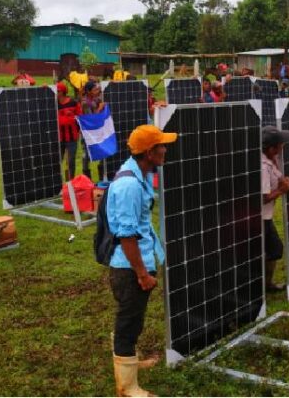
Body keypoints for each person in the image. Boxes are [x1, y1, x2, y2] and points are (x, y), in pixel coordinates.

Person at [107, 124, 177, 397]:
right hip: (129, 269)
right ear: (149, 152)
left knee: (133, 319)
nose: (165, 150)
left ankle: (130, 361)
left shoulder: (141, 175)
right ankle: (127, 387)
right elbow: (126, 236)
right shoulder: (129, 186)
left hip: (136, 263)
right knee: (128, 323)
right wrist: (142, 274)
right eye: (161, 146)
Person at [261, 126, 289, 291]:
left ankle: (265, 283)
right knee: (275, 249)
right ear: (271, 148)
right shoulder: (263, 167)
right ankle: (262, 283)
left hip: (266, 216)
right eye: (280, 144)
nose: (283, 146)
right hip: (260, 218)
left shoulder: (271, 159)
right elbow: (263, 197)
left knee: (273, 249)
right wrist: (282, 190)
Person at [56, 82, 82, 181]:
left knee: (71, 161)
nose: (56, 93)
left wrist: (78, 130)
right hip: (59, 137)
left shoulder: (73, 103)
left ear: (63, 92)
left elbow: (80, 117)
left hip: (72, 137)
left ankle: (71, 181)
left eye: (58, 91)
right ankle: (57, 181)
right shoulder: (54, 103)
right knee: (58, 160)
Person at [81, 80, 106, 182]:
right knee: (86, 155)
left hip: (98, 131)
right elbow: (90, 118)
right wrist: (100, 109)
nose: (97, 91)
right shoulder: (85, 103)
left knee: (103, 153)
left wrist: (111, 85)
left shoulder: (96, 99)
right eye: (95, 89)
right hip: (88, 133)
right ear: (88, 91)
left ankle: (102, 178)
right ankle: (87, 180)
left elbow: (104, 95)